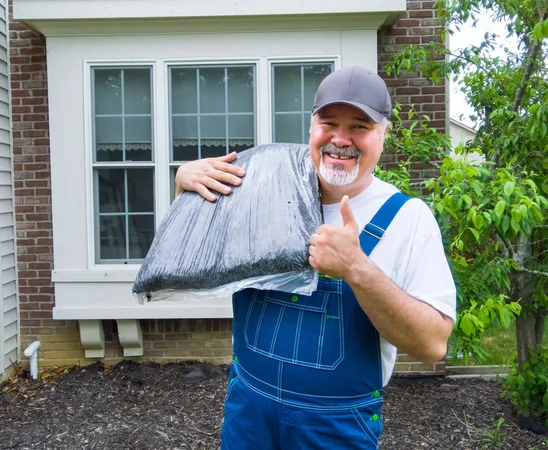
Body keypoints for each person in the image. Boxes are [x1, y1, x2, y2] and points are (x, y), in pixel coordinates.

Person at [174, 66, 456, 450]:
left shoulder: (408, 219)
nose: (341, 139)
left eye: (359, 126)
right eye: (329, 122)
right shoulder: (256, 189)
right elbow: (187, 262)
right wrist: (185, 190)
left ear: (382, 135)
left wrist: (357, 269)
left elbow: (432, 345)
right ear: (311, 126)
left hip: (336, 428)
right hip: (247, 415)